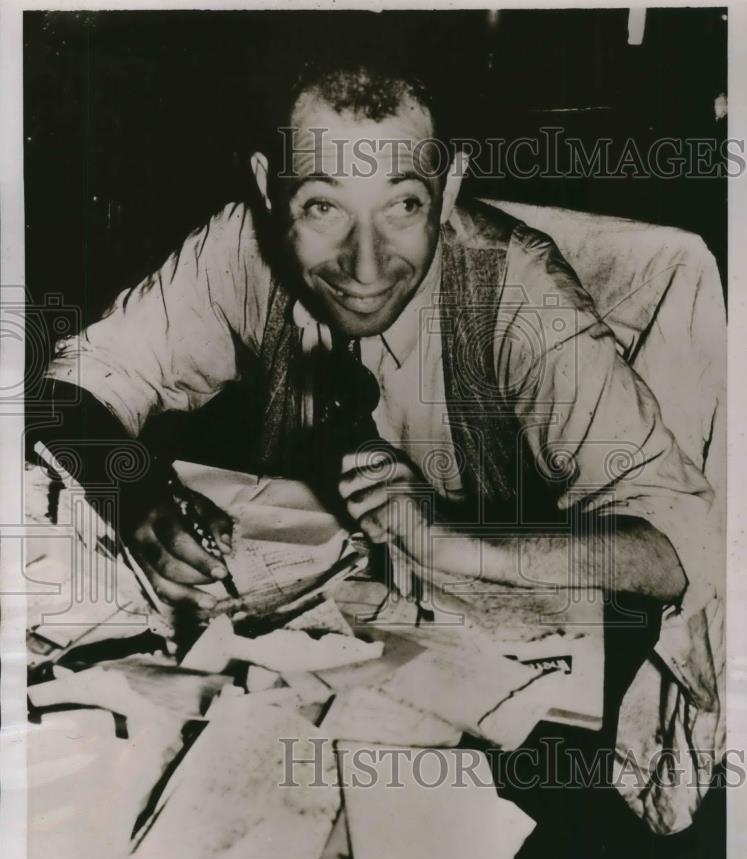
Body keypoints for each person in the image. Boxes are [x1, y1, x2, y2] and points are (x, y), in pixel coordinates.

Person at [34, 52, 714, 629]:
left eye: (404, 205)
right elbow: (74, 385)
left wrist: (457, 542)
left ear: (449, 188)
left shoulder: (519, 294)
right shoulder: (241, 245)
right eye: (322, 207)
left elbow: (685, 548)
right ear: (269, 189)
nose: (365, 267)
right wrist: (131, 486)